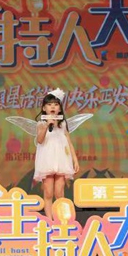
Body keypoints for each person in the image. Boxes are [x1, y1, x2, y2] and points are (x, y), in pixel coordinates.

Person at [34, 88, 79, 219]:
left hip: (61, 160)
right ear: (44, 108)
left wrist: (75, 160)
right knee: (48, 192)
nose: (53, 107)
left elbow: (69, 142)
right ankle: (49, 220)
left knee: (59, 192)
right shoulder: (41, 124)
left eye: (55, 104)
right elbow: (40, 140)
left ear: (59, 109)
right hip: (47, 160)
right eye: (49, 104)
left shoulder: (63, 124)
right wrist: (46, 126)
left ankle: (61, 219)